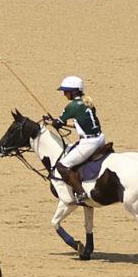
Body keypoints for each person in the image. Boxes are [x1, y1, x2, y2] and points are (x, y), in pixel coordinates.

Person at [44, 76, 105, 204]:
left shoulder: (72, 106)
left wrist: (50, 122)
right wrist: (54, 122)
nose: (64, 94)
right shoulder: (87, 102)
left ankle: (81, 193)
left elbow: (58, 123)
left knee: (62, 166)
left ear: (74, 92)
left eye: (66, 91)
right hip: (100, 139)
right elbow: (79, 124)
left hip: (89, 144)